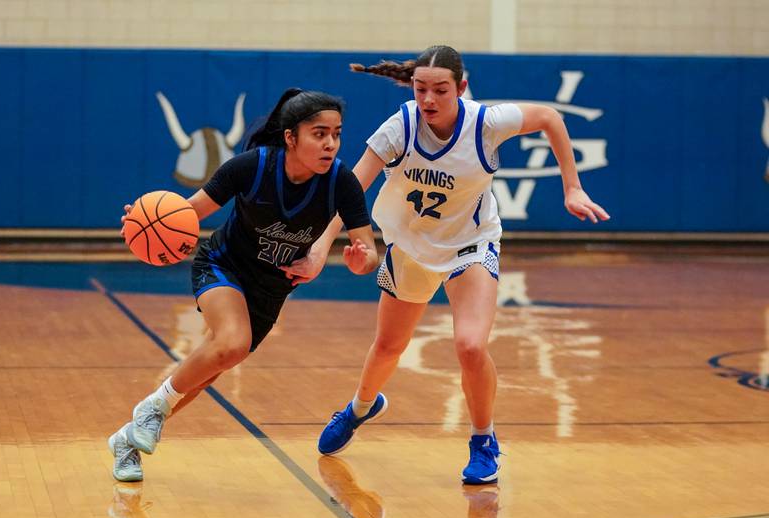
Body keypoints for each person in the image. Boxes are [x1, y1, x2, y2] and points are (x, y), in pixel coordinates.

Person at [282, 45, 610, 485]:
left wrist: (572, 187)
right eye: (420, 89)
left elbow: (550, 117)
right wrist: (322, 247)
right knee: (388, 347)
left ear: (461, 87)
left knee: (470, 346)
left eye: (440, 89)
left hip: (470, 245)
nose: (428, 99)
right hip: (411, 246)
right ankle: (360, 407)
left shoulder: (486, 123)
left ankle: (483, 440)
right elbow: (352, 187)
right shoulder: (401, 125)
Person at [108, 88, 379, 482]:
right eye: (319, 134)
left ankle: (128, 440)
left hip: (271, 290)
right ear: (291, 137)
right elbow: (189, 211)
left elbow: (368, 251)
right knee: (232, 343)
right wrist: (144, 220)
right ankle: (150, 410)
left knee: (209, 370)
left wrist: (360, 259)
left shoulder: (342, 183)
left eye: (336, 134)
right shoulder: (252, 167)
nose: (330, 144)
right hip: (224, 265)